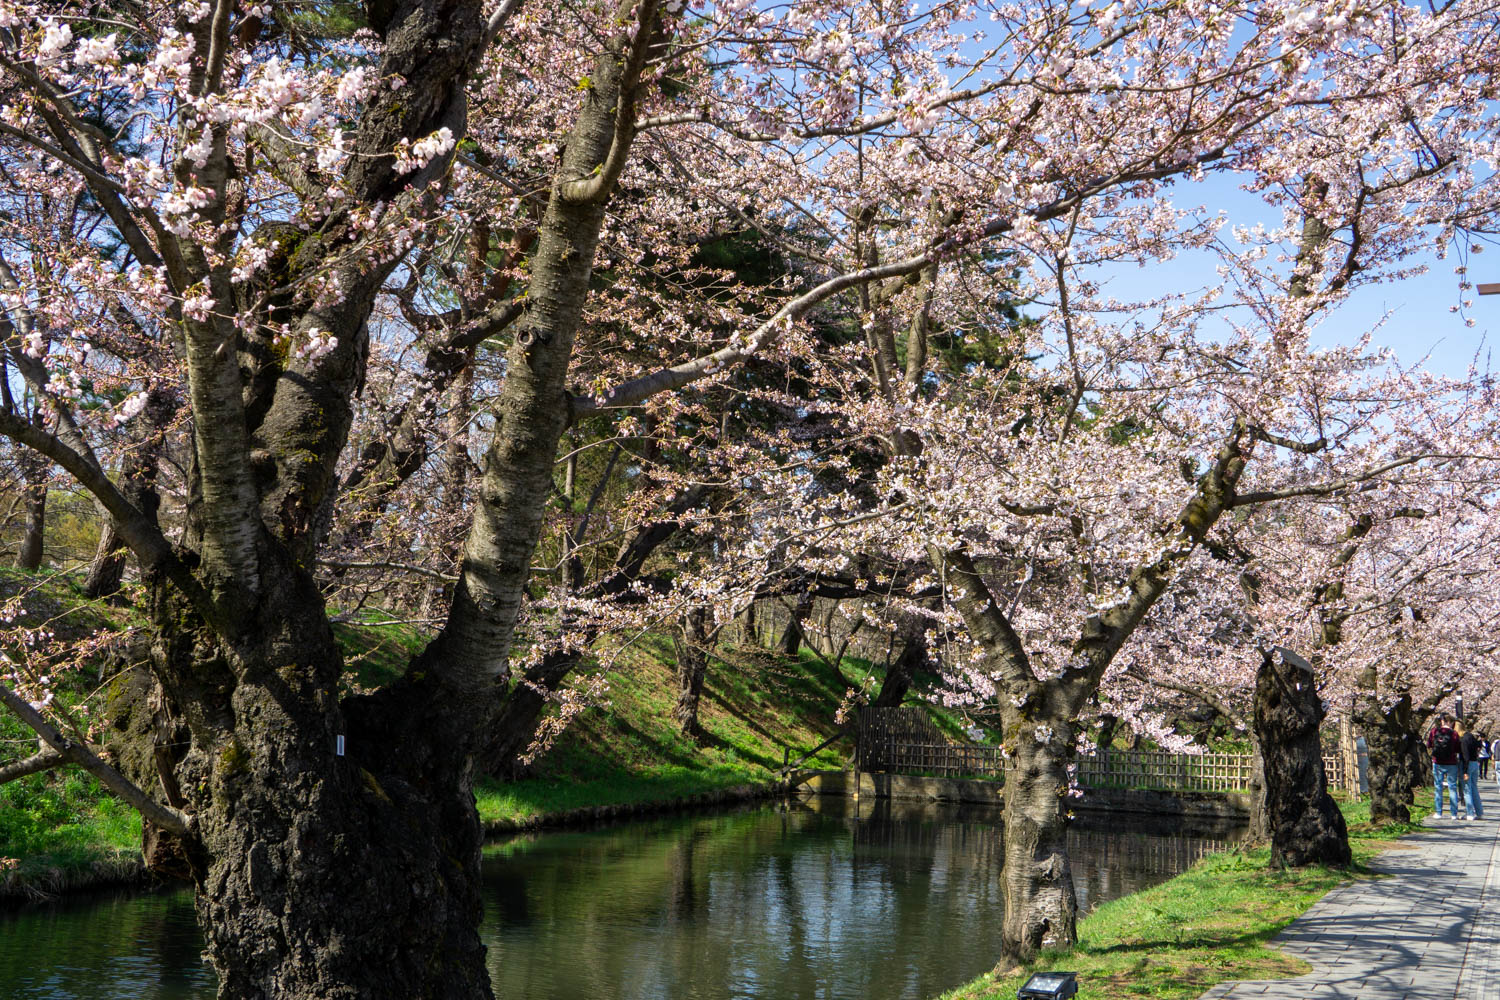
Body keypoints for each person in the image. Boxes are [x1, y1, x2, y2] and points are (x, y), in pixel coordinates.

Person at [1428, 712, 1464, 820]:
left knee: (1438, 787)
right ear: (1450, 722)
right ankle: (1454, 814)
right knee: (1452, 788)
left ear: (1442, 721)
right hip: (1451, 763)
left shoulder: (1434, 731)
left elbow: (1429, 744)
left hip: (1437, 762)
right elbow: (1458, 748)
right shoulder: (1454, 733)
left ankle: (1438, 812)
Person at [1459, 721, 1485, 820]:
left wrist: (1465, 771)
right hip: (1474, 763)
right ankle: (1479, 812)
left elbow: (1466, 756)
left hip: (1467, 764)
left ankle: (1469, 813)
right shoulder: (1471, 736)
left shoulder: (1464, 739)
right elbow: (1479, 746)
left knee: (1467, 789)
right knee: (1474, 788)